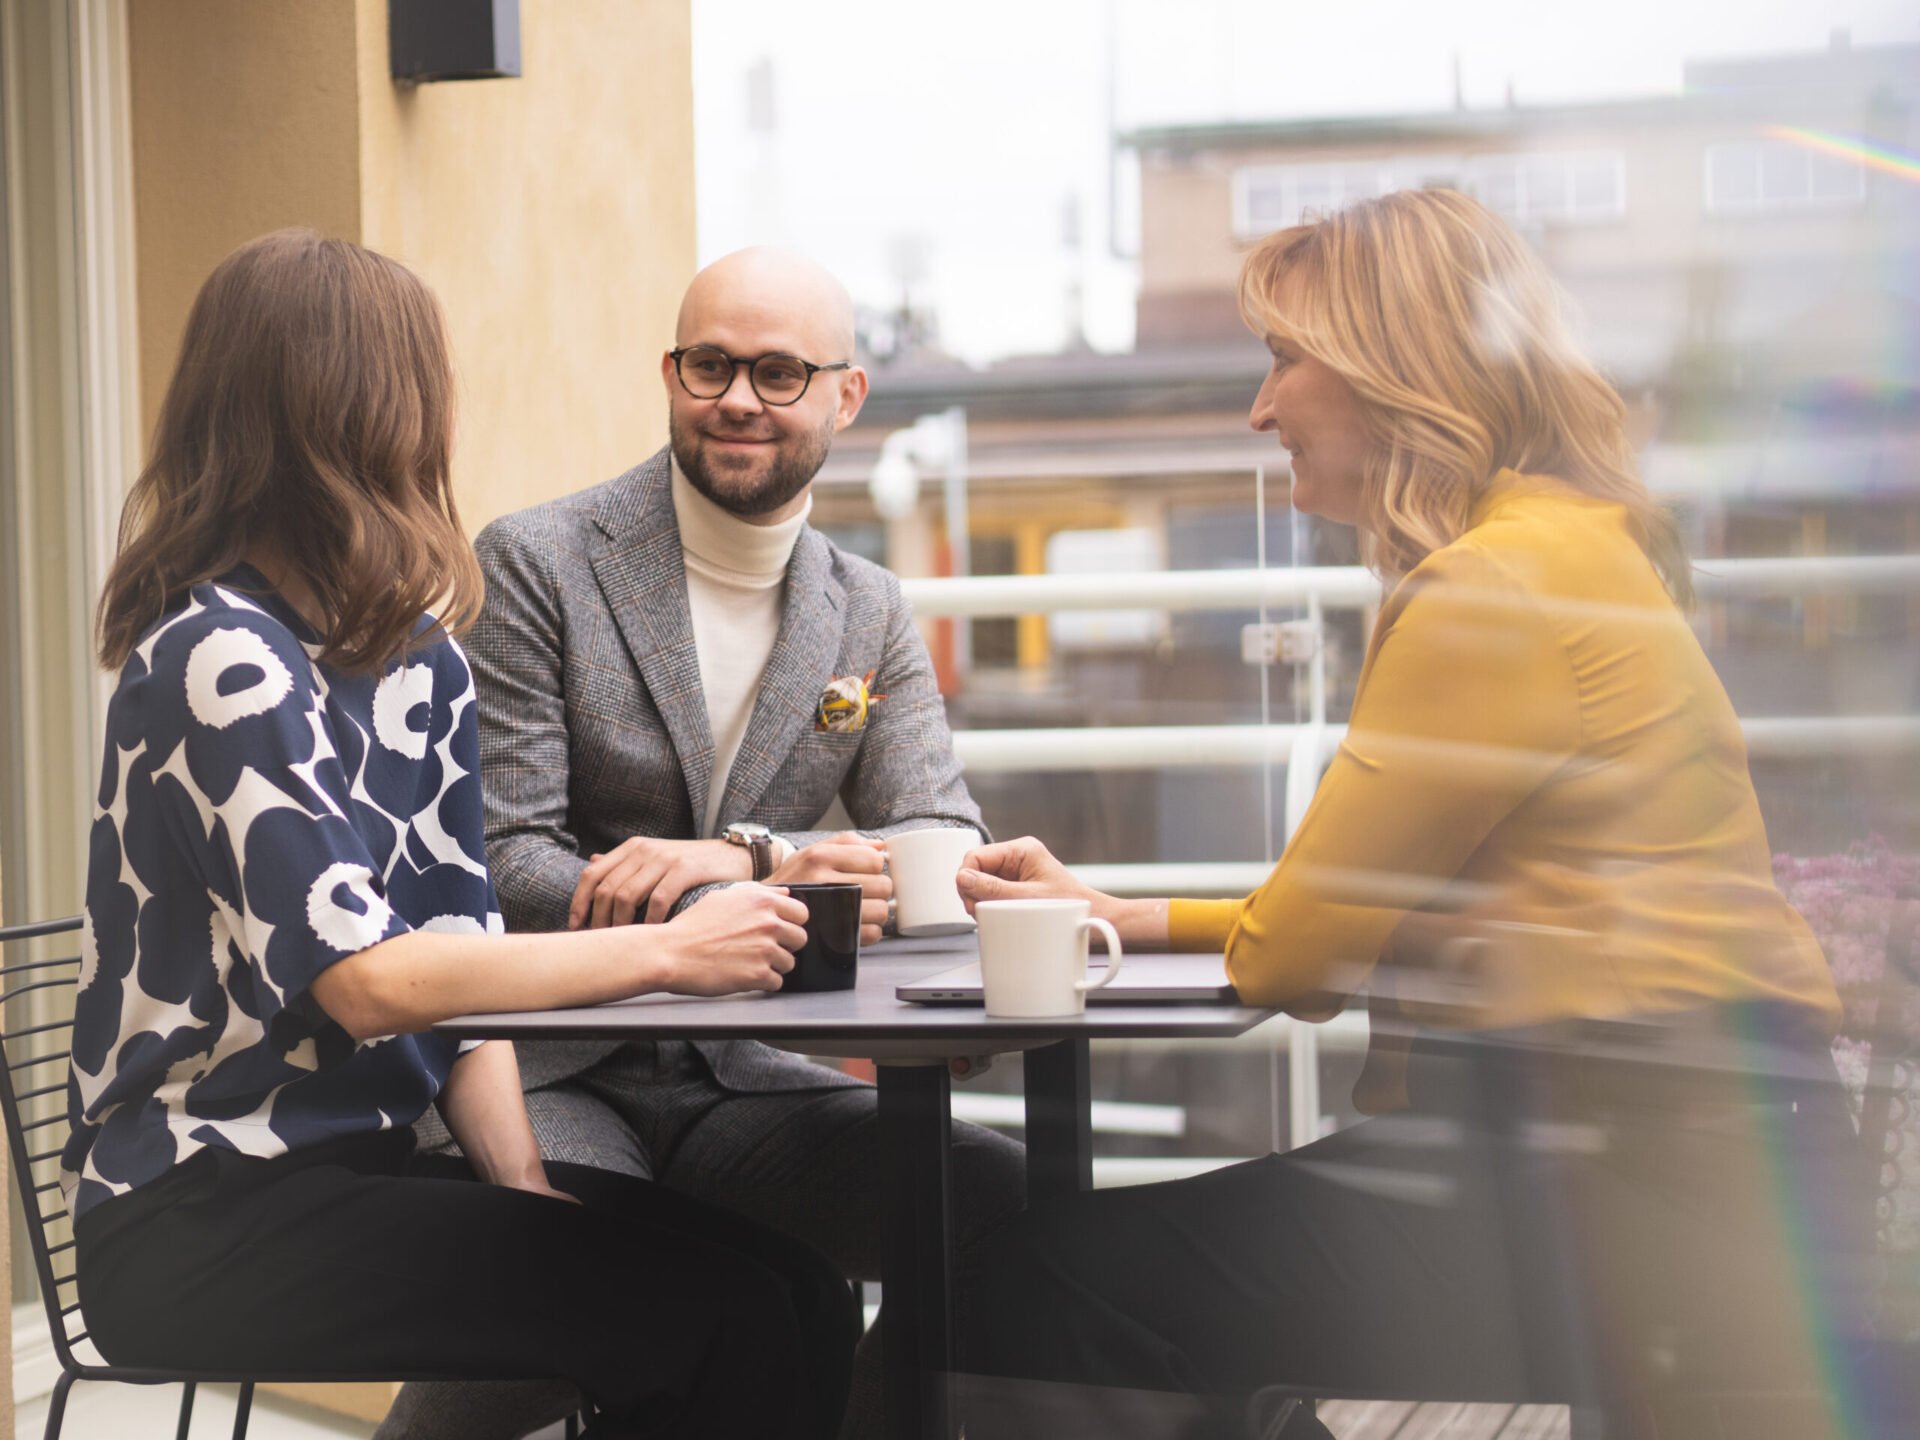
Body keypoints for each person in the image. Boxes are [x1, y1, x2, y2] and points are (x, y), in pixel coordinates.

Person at [947, 190, 1863, 1437]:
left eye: (1282, 358)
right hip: (1718, 1162)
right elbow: (1364, 919)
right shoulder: (1575, 543)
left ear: (1397, 365)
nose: (1260, 409)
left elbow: (1301, 955)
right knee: (1156, 1291)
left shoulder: (1488, 587)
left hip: (1627, 1184)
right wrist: (1119, 914)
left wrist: (1168, 923)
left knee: (1025, 1285)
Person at [64, 229, 857, 1440]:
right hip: (201, 1213)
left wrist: (526, 1190)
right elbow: (374, 985)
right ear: (363, 411)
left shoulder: (413, 658)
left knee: (793, 1292)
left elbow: (459, 948)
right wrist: (668, 951)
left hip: (365, 1171)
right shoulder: (216, 655)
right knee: (712, 1321)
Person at [387, 247, 1024, 1440]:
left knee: (994, 1206)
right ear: (671, 376)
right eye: (711, 364)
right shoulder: (542, 562)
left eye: (780, 372)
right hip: (548, 1071)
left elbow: (946, 845)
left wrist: (751, 859)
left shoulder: (867, 610)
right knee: (629, 1291)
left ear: (845, 397)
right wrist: (752, 896)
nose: (739, 397)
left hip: (744, 1081)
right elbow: (509, 874)